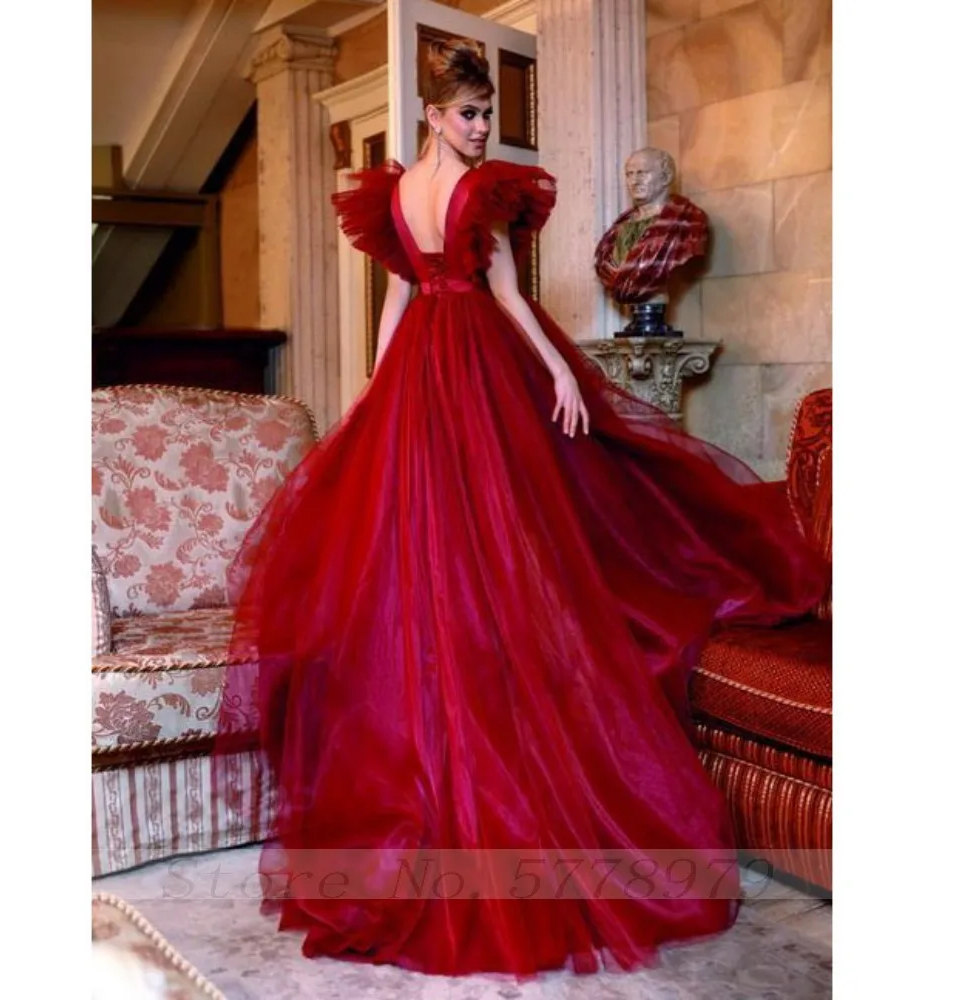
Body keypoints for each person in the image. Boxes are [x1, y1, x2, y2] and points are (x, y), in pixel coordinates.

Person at [214, 39, 828, 978]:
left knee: (490, 540)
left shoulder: (428, 191)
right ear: (432, 115)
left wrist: (414, 379)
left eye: (487, 115)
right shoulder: (457, 193)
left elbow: (431, 298)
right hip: (455, 365)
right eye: (467, 114)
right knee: (457, 546)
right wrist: (487, 377)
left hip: (432, 365)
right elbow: (491, 296)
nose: (481, 127)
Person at [594, 147, 709, 306]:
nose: (634, 181)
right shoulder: (620, 227)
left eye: (642, 173)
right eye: (629, 174)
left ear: (666, 177)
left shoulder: (687, 221)